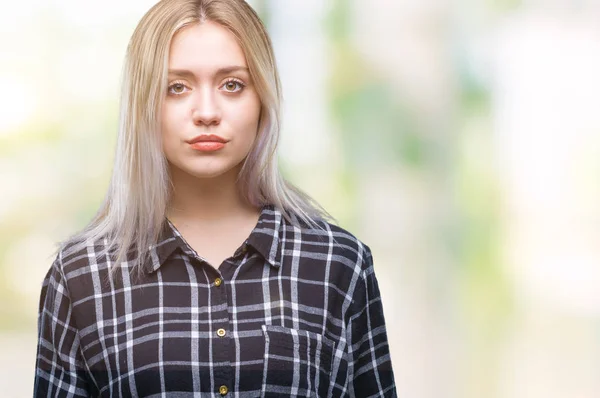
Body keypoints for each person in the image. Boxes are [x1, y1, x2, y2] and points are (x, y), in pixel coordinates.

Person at [34, 0, 397, 396]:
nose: (206, 112)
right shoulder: (81, 277)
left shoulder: (337, 264)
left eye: (232, 85)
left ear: (263, 99)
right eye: (176, 87)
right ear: (143, 104)